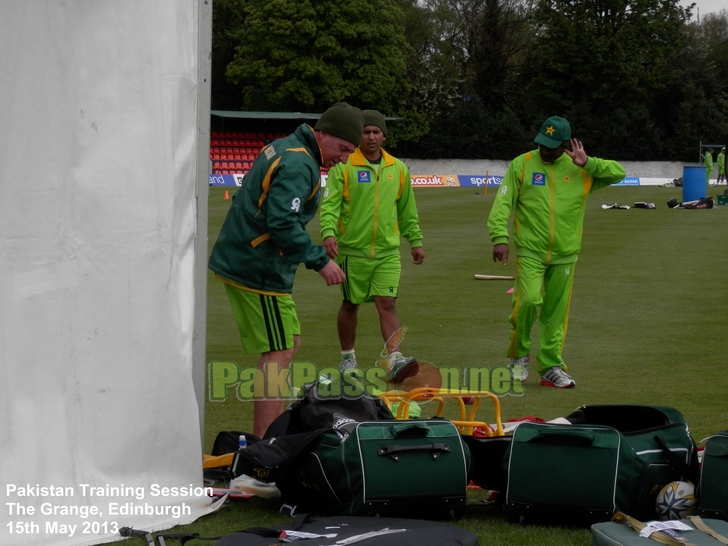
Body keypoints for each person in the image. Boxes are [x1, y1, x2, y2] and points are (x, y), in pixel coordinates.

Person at [208, 102, 364, 437]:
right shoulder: (299, 162)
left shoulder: (289, 147)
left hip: (256, 261)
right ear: (322, 134)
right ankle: (267, 445)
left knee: (288, 342)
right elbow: (281, 222)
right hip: (257, 267)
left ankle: (271, 437)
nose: (345, 157)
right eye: (343, 148)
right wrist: (320, 261)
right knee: (279, 350)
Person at [487, 116, 626, 388]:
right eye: (542, 143)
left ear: (566, 145)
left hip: (565, 254)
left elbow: (618, 173)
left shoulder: (582, 169)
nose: (545, 150)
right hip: (529, 250)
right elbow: (502, 203)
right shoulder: (522, 164)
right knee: (526, 302)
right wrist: (499, 237)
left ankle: (551, 366)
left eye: (552, 146)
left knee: (555, 313)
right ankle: (518, 357)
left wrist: (588, 163)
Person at [319, 109, 424, 377]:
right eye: (366, 132)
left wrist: (415, 240)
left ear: (384, 136)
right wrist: (328, 233)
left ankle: (395, 358)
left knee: (387, 303)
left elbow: (407, 210)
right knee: (350, 305)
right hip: (352, 252)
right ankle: (347, 358)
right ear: (358, 136)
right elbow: (330, 205)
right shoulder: (344, 166)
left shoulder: (398, 169)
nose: (371, 136)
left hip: (388, 252)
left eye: (376, 131)